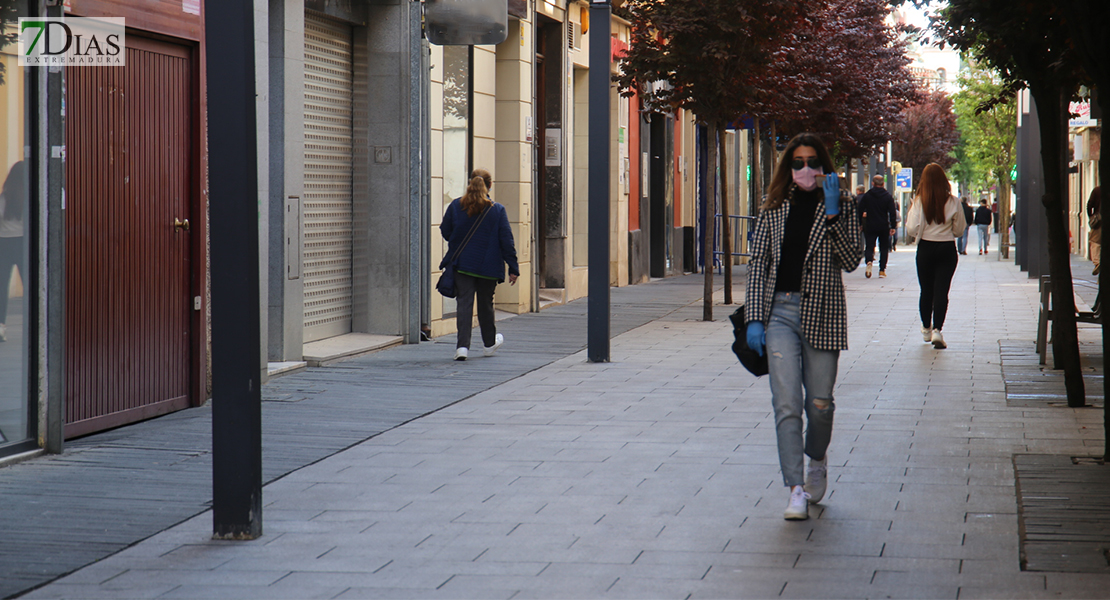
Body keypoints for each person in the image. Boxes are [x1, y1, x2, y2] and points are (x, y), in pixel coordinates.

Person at [744, 133, 863, 521]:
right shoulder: (774, 207)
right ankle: (795, 488)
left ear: (825, 166)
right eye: (797, 163)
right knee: (787, 405)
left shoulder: (841, 205)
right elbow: (758, 264)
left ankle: (818, 458)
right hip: (779, 313)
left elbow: (850, 260)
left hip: (823, 313)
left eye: (813, 162)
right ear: (788, 167)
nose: (806, 169)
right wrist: (755, 319)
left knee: (820, 404)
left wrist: (831, 215)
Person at [440, 168, 519, 361]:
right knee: (486, 305)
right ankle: (489, 344)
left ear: (470, 183)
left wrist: (458, 242)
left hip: (463, 264)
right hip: (489, 267)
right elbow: (506, 240)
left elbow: (445, 230)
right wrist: (513, 267)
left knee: (464, 304)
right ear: (489, 185)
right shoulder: (497, 210)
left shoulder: (456, 206)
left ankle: (462, 348)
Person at [905, 164, 965, 350]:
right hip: (947, 248)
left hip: (926, 248)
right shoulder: (953, 202)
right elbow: (959, 229)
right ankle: (938, 329)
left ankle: (926, 328)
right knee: (942, 291)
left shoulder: (919, 201)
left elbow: (912, 228)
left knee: (926, 290)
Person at [0, 161, 24, 343]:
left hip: (4, 244)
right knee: (31, 284)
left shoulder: (4, 198)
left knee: (1, 286)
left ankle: (1, 327)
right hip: (23, 243)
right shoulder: (30, 198)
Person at [858, 175, 898, 278]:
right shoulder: (888, 196)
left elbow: (859, 210)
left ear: (872, 183)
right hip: (883, 225)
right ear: (883, 184)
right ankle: (881, 270)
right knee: (884, 247)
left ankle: (869, 262)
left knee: (869, 246)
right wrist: (893, 226)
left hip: (870, 224)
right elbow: (892, 212)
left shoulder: (867, 196)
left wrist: (859, 223)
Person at [1088, 187, 1101, 275]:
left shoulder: (1097, 190)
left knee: (1095, 242)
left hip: (1099, 221)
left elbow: (1089, 205)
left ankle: (1097, 262)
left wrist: (1091, 217)